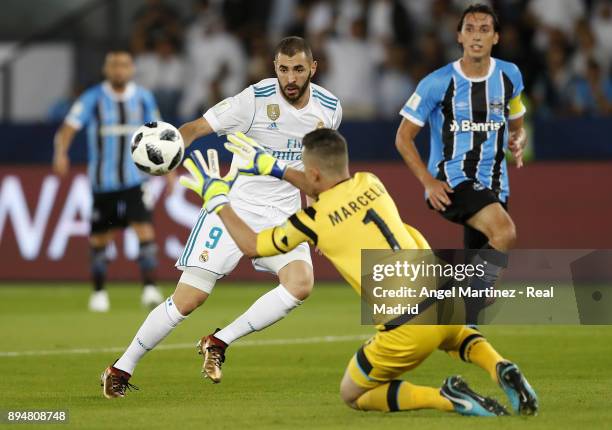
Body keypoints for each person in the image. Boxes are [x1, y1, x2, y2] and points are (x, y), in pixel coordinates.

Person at [178, 128, 538, 417]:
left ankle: (446, 398)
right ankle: (501, 366)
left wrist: (218, 198)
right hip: (447, 295)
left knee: (353, 393)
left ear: (313, 172)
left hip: (405, 326)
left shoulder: (313, 221)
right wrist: (272, 166)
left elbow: (252, 245)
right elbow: (323, 184)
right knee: (453, 334)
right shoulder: (372, 182)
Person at [100, 36, 342, 397]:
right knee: (189, 299)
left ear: (313, 69)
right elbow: (194, 129)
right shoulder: (253, 100)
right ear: (274, 67)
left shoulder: (329, 108)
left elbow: (315, 169)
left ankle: (218, 341)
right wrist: (168, 153)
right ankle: (121, 367)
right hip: (233, 208)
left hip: (284, 215)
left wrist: (316, 218)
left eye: (298, 69)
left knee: (300, 284)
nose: (290, 78)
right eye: (283, 69)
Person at [395, 4, 527, 321]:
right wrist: (428, 181)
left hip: (496, 185)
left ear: (496, 37)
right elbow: (403, 137)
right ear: (459, 36)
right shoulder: (437, 83)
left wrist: (518, 142)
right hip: (453, 180)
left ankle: (452, 321)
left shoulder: (510, 75)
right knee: (505, 234)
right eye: (470, 29)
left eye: (484, 29)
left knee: (478, 300)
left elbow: (517, 121)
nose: (476, 36)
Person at [53, 50, 164, 312]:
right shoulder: (93, 98)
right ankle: (99, 292)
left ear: (132, 69)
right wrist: (61, 153)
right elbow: (68, 128)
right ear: (106, 69)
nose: (119, 70)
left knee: (145, 232)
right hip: (103, 183)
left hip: (136, 180)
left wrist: (167, 172)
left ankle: (149, 289)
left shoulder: (144, 98)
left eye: (124, 64)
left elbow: (160, 136)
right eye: (114, 65)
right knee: (100, 240)